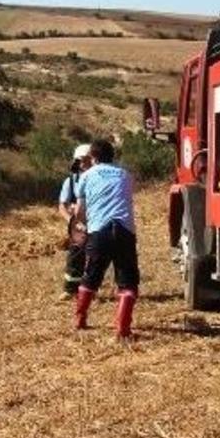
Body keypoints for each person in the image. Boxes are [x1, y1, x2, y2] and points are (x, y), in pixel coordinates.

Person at [72, 138, 139, 338]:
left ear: (92, 157)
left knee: (91, 275)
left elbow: (80, 211)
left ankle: (80, 318)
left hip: (99, 231)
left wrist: (81, 223)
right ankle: (123, 328)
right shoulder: (126, 175)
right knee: (128, 282)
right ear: (113, 156)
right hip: (125, 230)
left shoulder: (86, 176)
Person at [58, 144, 93, 295]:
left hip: (98, 222)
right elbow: (62, 205)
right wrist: (72, 222)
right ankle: (71, 289)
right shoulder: (71, 181)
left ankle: (90, 287)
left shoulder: (99, 179)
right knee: (76, 254)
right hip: (79, 225)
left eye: (88, 159)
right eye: (82, 160)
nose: (85, 163)